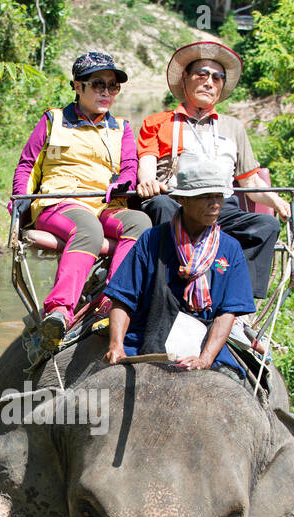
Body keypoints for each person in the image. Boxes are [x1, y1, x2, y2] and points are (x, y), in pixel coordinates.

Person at [12, 50, 150, 356]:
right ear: (78, 86)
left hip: (103, 203)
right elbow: (26, 165)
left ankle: (110, 301)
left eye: (112, 86)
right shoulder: (54, 120)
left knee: (141, 223)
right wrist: (19, 205)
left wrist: (121, 186)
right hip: (60, 201)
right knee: (87, 228)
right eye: (98, 84)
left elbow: (129, 166)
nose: (106, 92)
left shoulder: (122, 128)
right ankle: (60, 309)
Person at [136, 34, 290, 300]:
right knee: (161, 207)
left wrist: (276, 201)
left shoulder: (233, 127)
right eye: (201, 75)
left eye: (217, 78)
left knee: (265, 226)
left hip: (220, 208)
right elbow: (147, 165)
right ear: (185, 78)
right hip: (177, 203)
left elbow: (250, 183)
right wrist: (148, 180)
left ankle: (237, 304)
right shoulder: (159, 122)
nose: (209, 82)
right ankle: (169, 293)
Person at [102, 156, 256, 375]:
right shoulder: (151, 239)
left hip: (204, 343)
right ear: (183, 199)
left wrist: (205, 359)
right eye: (205, 197)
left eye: (218, 197)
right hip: (146, 338)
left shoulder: (230, 249)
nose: (215, 204)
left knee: (237, 388)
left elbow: (227, 313)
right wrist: (116, 345)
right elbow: (123, 297)